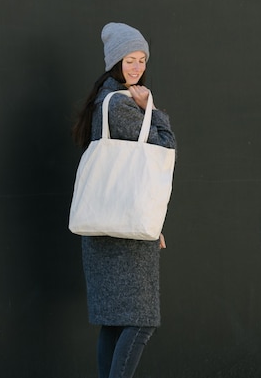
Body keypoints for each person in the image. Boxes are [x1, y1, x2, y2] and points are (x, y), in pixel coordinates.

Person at [72, 22, 176, 378]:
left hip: (107, 227)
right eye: (129, 60)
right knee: (140, 322)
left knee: (115, 323)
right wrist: (153, 109)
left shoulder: (103, 99)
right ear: (115, 62)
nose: (136, 67)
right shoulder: (121, 105)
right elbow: (163, 148)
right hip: (124, 237)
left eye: (142, 60)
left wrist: (152, 224)